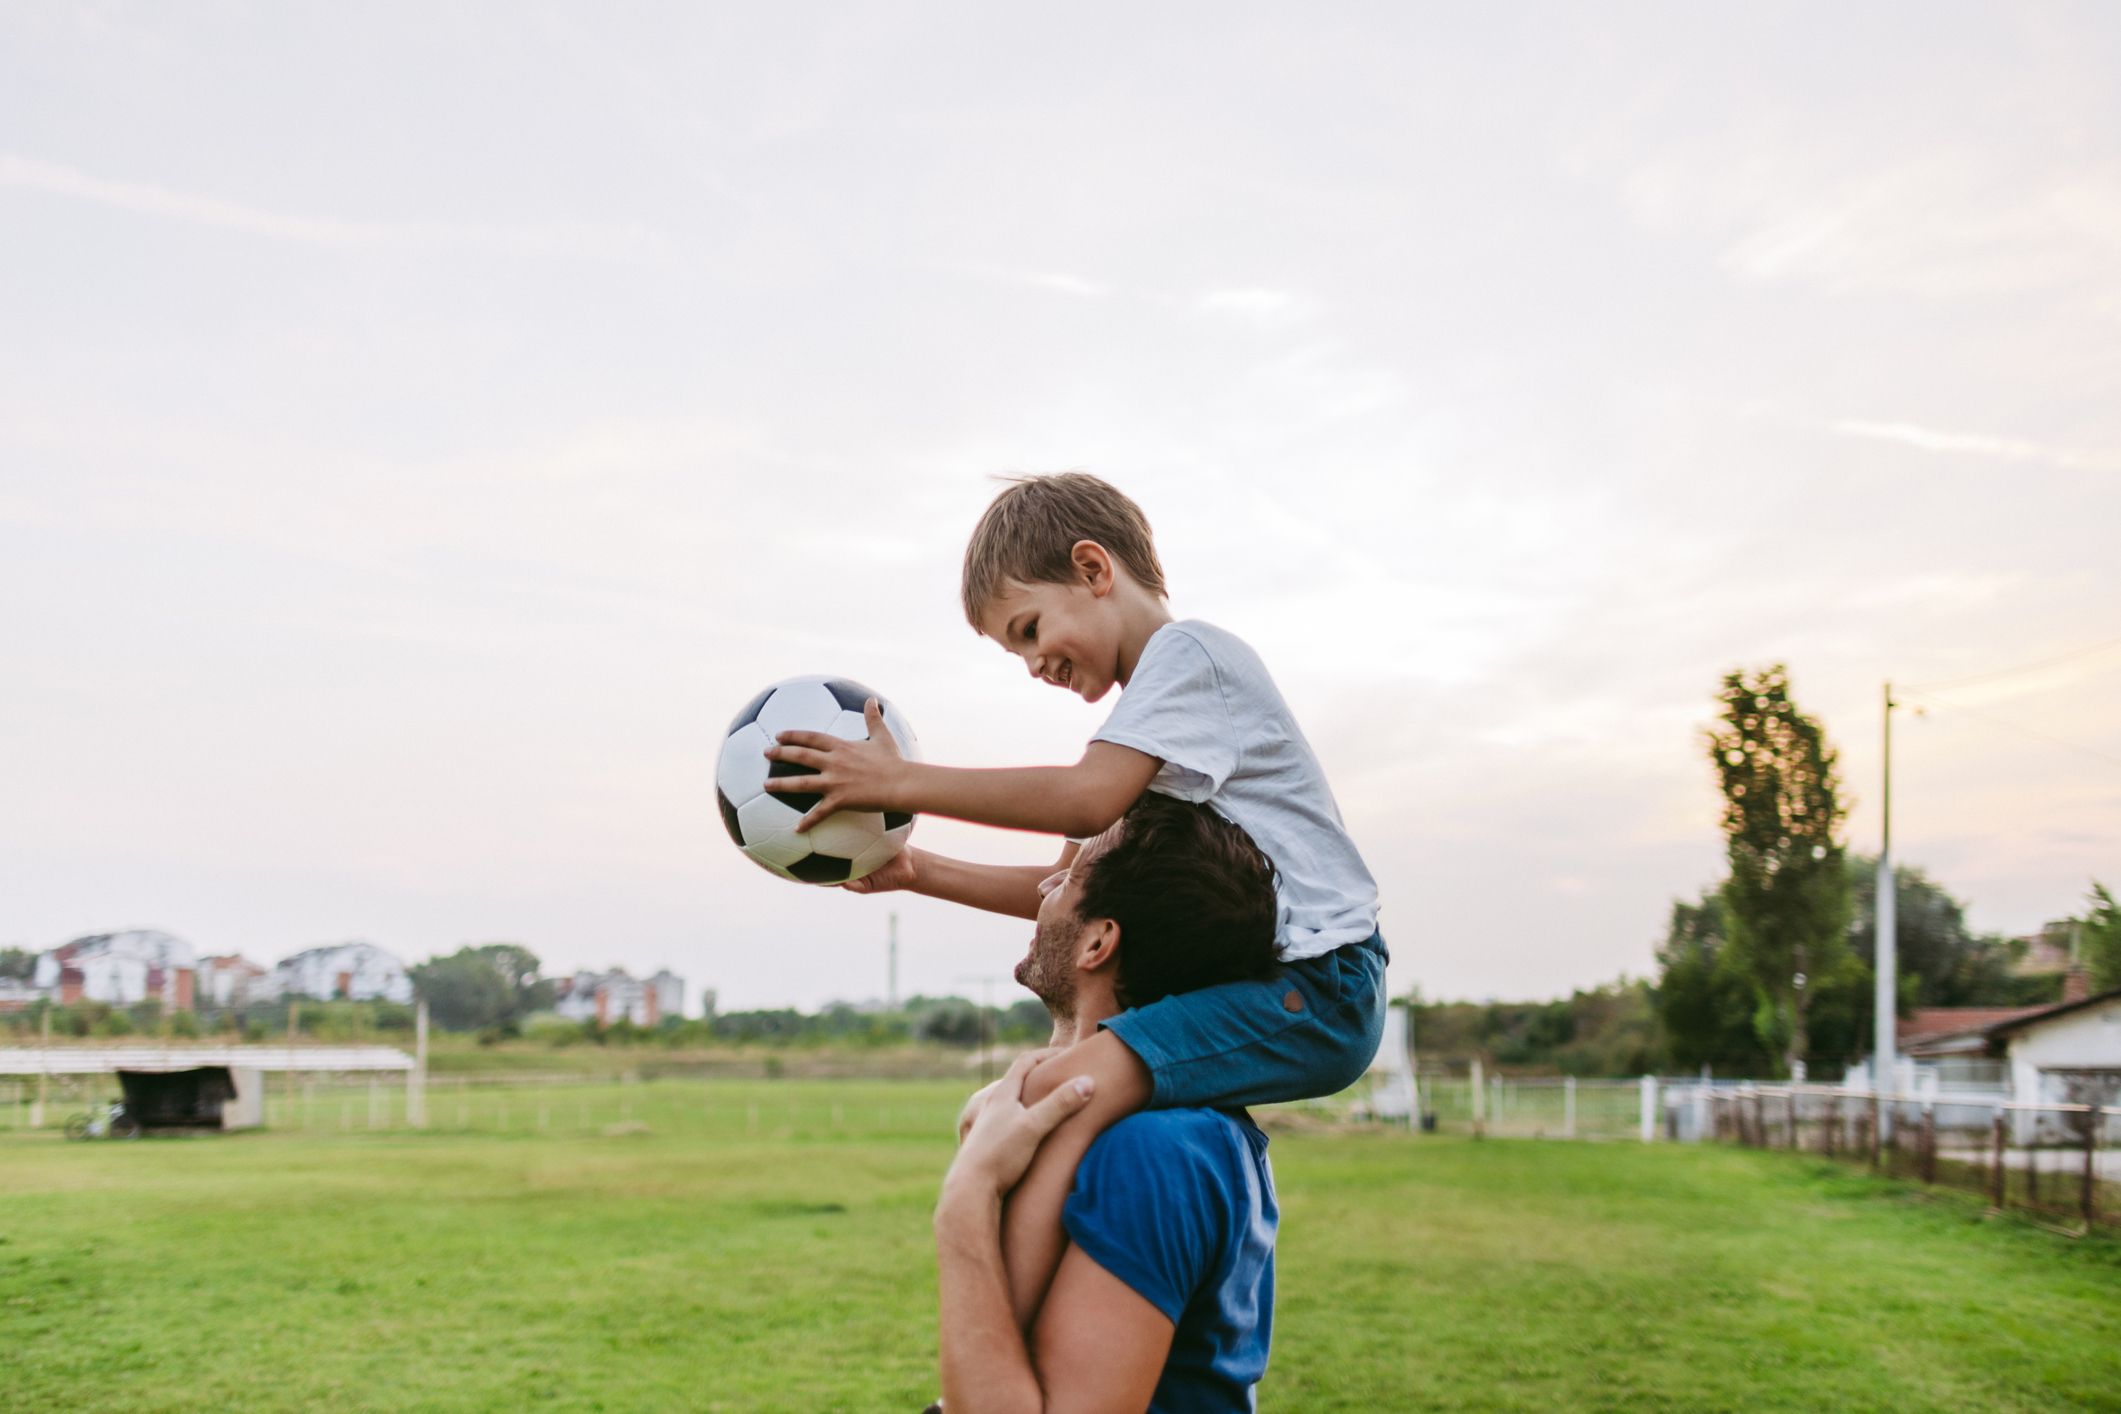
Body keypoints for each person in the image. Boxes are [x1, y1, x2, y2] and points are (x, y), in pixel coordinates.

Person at [764, 472, 1384, 1324]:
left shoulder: (1191, 658)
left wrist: (901, 779)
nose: (1032, 665)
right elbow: (1067, 893)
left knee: (1063, 1097)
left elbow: (1085, 799)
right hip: (1276, 986)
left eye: (1029, 630)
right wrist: (920, 871)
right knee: (1041, 1101)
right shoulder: (1149, 728)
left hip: (1320, 986)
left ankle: (997, 1351)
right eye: (1013, 653)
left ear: (1094, 568)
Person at [934, 792, 1283, 1414]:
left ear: (1098, 942)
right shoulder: (1161, 1130)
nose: (1045, 885)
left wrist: (965, 1203)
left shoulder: (1156, 1151)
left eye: (1068, 876)